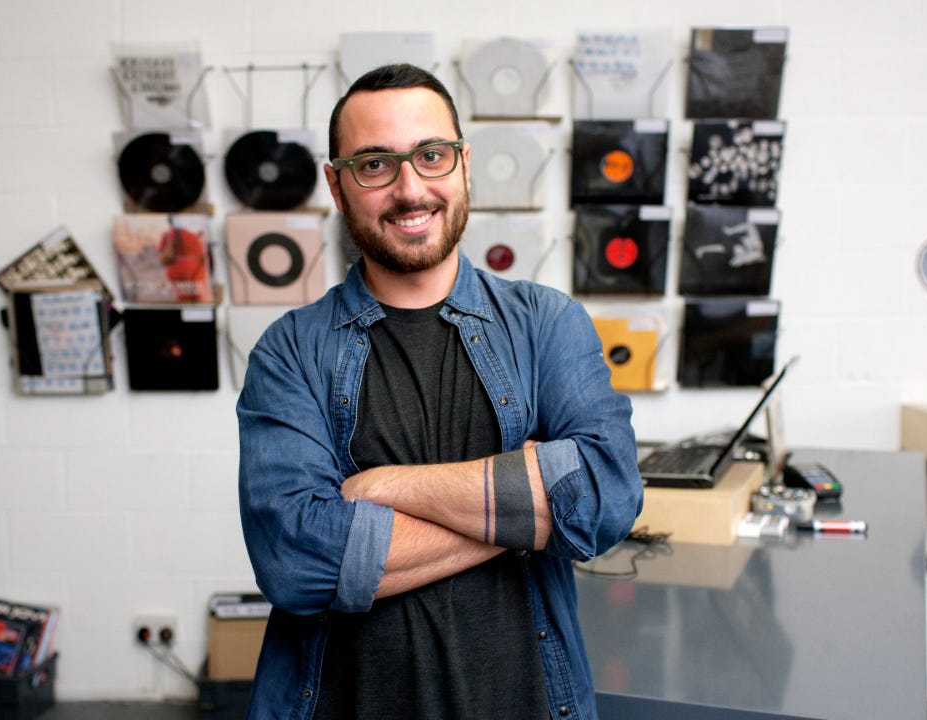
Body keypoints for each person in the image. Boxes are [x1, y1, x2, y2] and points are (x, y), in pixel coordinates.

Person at [236, 63, 643, 720]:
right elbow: (296, 559)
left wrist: (387, 488)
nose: (409, 188)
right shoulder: (291, 352)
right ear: (337, 186)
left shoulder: (546, 324)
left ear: (463, 165)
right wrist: (529, 521)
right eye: (374, 164)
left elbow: (603, 500)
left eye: (430, 156)